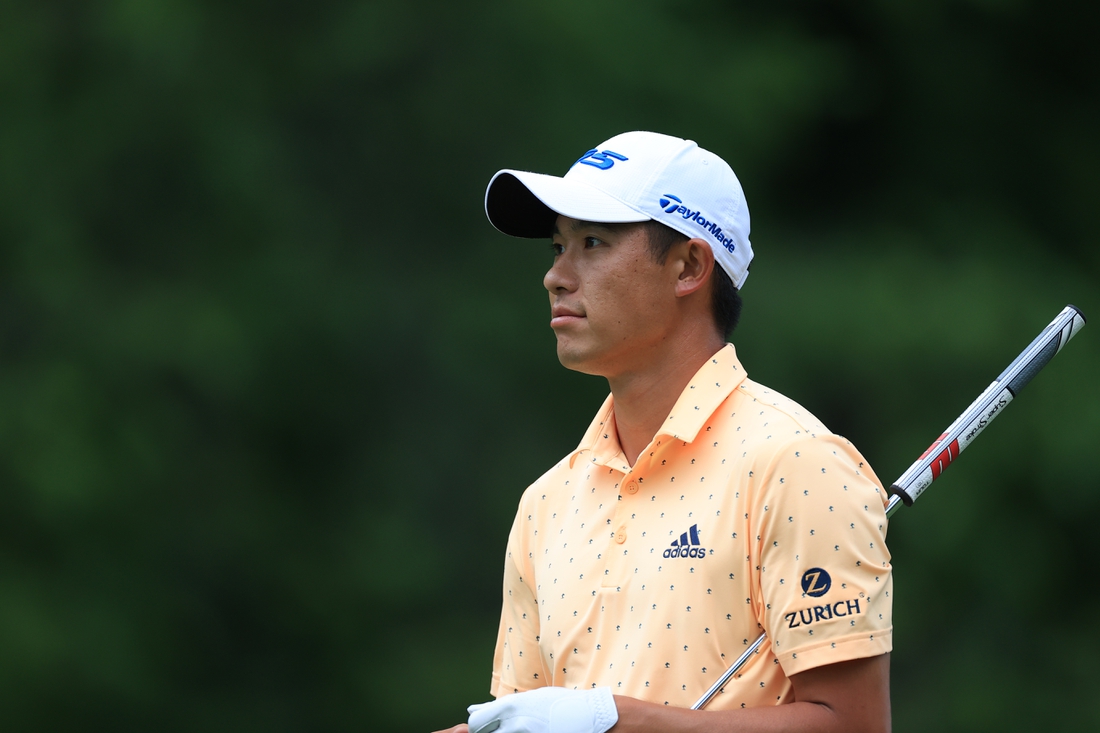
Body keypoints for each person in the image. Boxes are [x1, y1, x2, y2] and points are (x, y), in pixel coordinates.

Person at [434, 131, 892, 733]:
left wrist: (618, 721)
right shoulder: (544, 504)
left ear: (688, 267)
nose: (556, 277)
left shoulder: (797, 464)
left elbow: (853, 726)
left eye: (592, 242)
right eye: (556, 247)